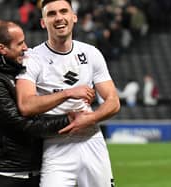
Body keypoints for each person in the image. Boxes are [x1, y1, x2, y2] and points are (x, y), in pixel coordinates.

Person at [0, 20, 95, 187]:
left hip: (31, 170)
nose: (26, 47)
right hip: (7, 174)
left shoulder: (14, 69)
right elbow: (21, 124)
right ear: (2, 49)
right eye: (20, 43)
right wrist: (69, 119)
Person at [16, 1, 120, 187]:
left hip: (91, 140)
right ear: (43, 22)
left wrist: (90, 119)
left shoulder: (91, 53)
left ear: (74, 17)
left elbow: (113, 102)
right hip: (55, 143)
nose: (59, 18)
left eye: (64, 11)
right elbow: (26, 106)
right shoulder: (31, 58)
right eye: (52, 14)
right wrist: (68, 93)